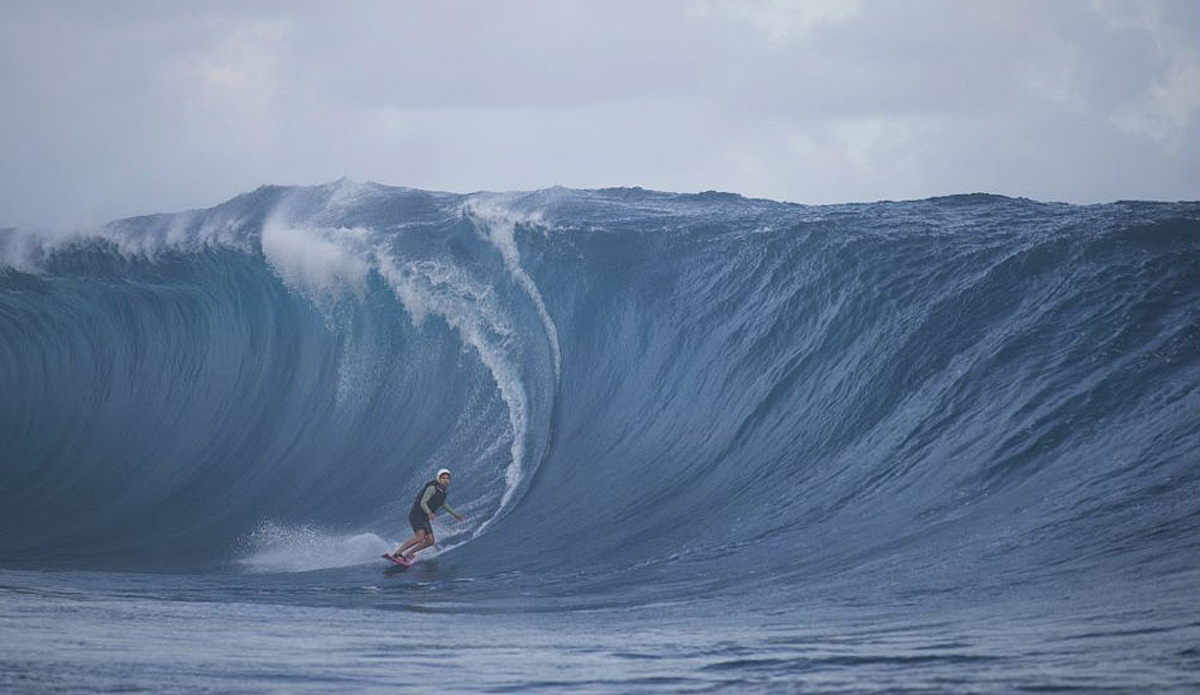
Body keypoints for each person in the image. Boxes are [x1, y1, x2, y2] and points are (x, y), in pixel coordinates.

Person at [388, 468, 464, 562]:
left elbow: (443, 504)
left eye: (448, 478)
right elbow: (423, 502)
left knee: (430, 541)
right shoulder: (432, 488)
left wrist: (455, 514)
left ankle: (409, 553)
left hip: (424, 517)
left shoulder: (443, 492)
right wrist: (430, 513)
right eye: (443, 478)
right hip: (417, 514)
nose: (446, 480)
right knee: (420, 537)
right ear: (439, 479)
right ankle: (397, 553)